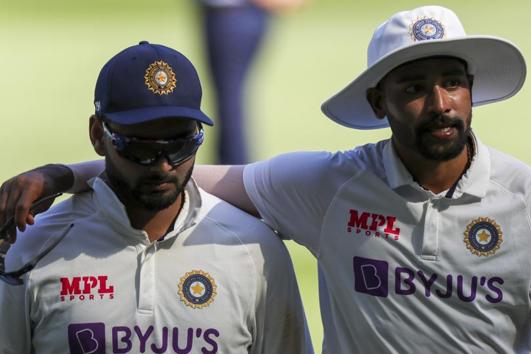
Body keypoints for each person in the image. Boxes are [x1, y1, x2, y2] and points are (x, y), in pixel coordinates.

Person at [0, 6, 531, 353]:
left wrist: (59, 172)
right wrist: (60, 175)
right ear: (378, 101)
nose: (440, 104)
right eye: (414, 88)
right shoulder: (328, 185)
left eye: (453, 82)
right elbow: (173, 174)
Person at [0, 41, 312, 353]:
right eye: (140, 147)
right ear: (97, 135)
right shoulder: (30, 250)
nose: (163, 165)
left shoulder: (254, 250)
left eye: (181, 145)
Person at [198, 0, 304, 164]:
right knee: (230, 101)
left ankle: (232, 177)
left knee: (229, 102)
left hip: (233, 16)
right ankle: (233, 173)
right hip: (240, 15)